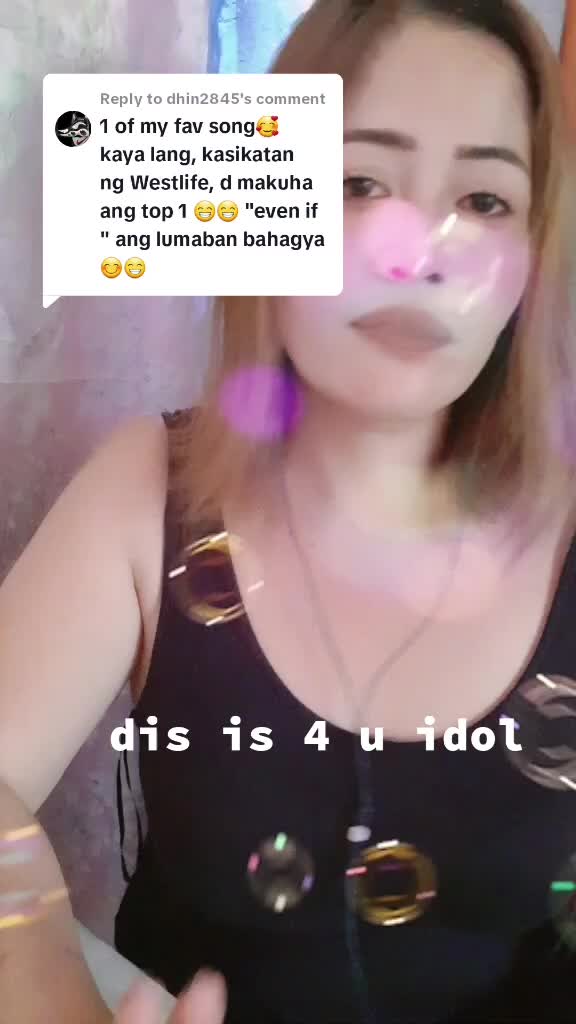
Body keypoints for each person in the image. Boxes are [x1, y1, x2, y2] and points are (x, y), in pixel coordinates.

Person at [1, 0, 575, 1021]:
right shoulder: (150, 488)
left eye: (485, 198)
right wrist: (50, 989)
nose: (417, 251)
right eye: (358, 183)